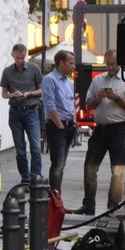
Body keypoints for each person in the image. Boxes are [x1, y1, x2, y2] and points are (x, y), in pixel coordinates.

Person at [71, 49, 125, 215]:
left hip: (119, 129)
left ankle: (113, 206)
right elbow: (87, 105)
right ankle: (88, 205)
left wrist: (117, 98)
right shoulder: (98, 80)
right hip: (100, 129)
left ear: (119, 63)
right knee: (90, 167)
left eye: (113, 64)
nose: (109, 67)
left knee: (118, 170)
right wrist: (98, 98)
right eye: (107, 64)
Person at [0, 44, 44, 182]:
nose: (20, 60)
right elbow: (3, 94)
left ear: (26, 55)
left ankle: (35, 177)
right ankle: (25, 178)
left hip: (31, 111)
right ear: (12, 55)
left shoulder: (33, 69)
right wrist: (13, 94)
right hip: (15, 112)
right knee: (20, 149)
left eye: (22, 58)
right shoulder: (7, 71)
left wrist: (29, 94)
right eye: (17, 58)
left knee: (35, 147)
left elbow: (42, 89)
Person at [42, 49, 78, 192]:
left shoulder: (68, 82)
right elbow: (50, 105)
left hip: (69, 125)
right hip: (57, 126)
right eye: (71, 63)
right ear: (61, 63)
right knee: (57, 164)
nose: (73, 66)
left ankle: (57, 197)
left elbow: (71, 104)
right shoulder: (50, 79)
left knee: (62, 164)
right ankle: (55, 198)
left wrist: (74, 123)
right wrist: (60, 127)